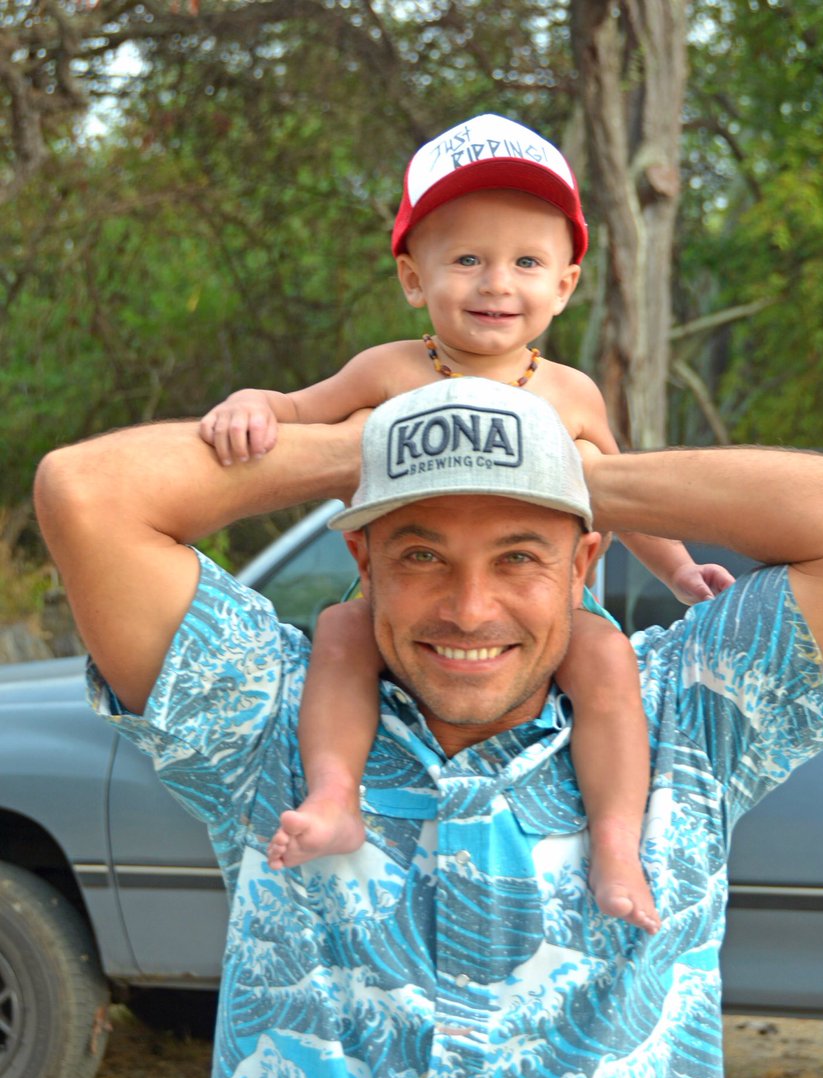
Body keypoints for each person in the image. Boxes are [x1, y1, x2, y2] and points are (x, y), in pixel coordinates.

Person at [34, 376, 823, 1078]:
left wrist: (565, 468)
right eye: (422, 554)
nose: (470, 610)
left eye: (519, 556)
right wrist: (389, 444)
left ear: (584, 559)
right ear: (362, 558)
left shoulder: (689, 720)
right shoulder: (267, 719)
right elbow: (87, 493)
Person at [199, 113, 733, 932]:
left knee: (607, 661)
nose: (496, 283)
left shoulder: (572, 393)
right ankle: (334, 794)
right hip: (404, 601)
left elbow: (625, 494)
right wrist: (249, 406)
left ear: (564, 284)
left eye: (526, 261)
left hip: (542, 609)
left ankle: (618, 844)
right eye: (467, 260)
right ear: (414, 278)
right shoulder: (388, 370)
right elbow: (295, 411)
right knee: (341, 631)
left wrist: (678, 571)